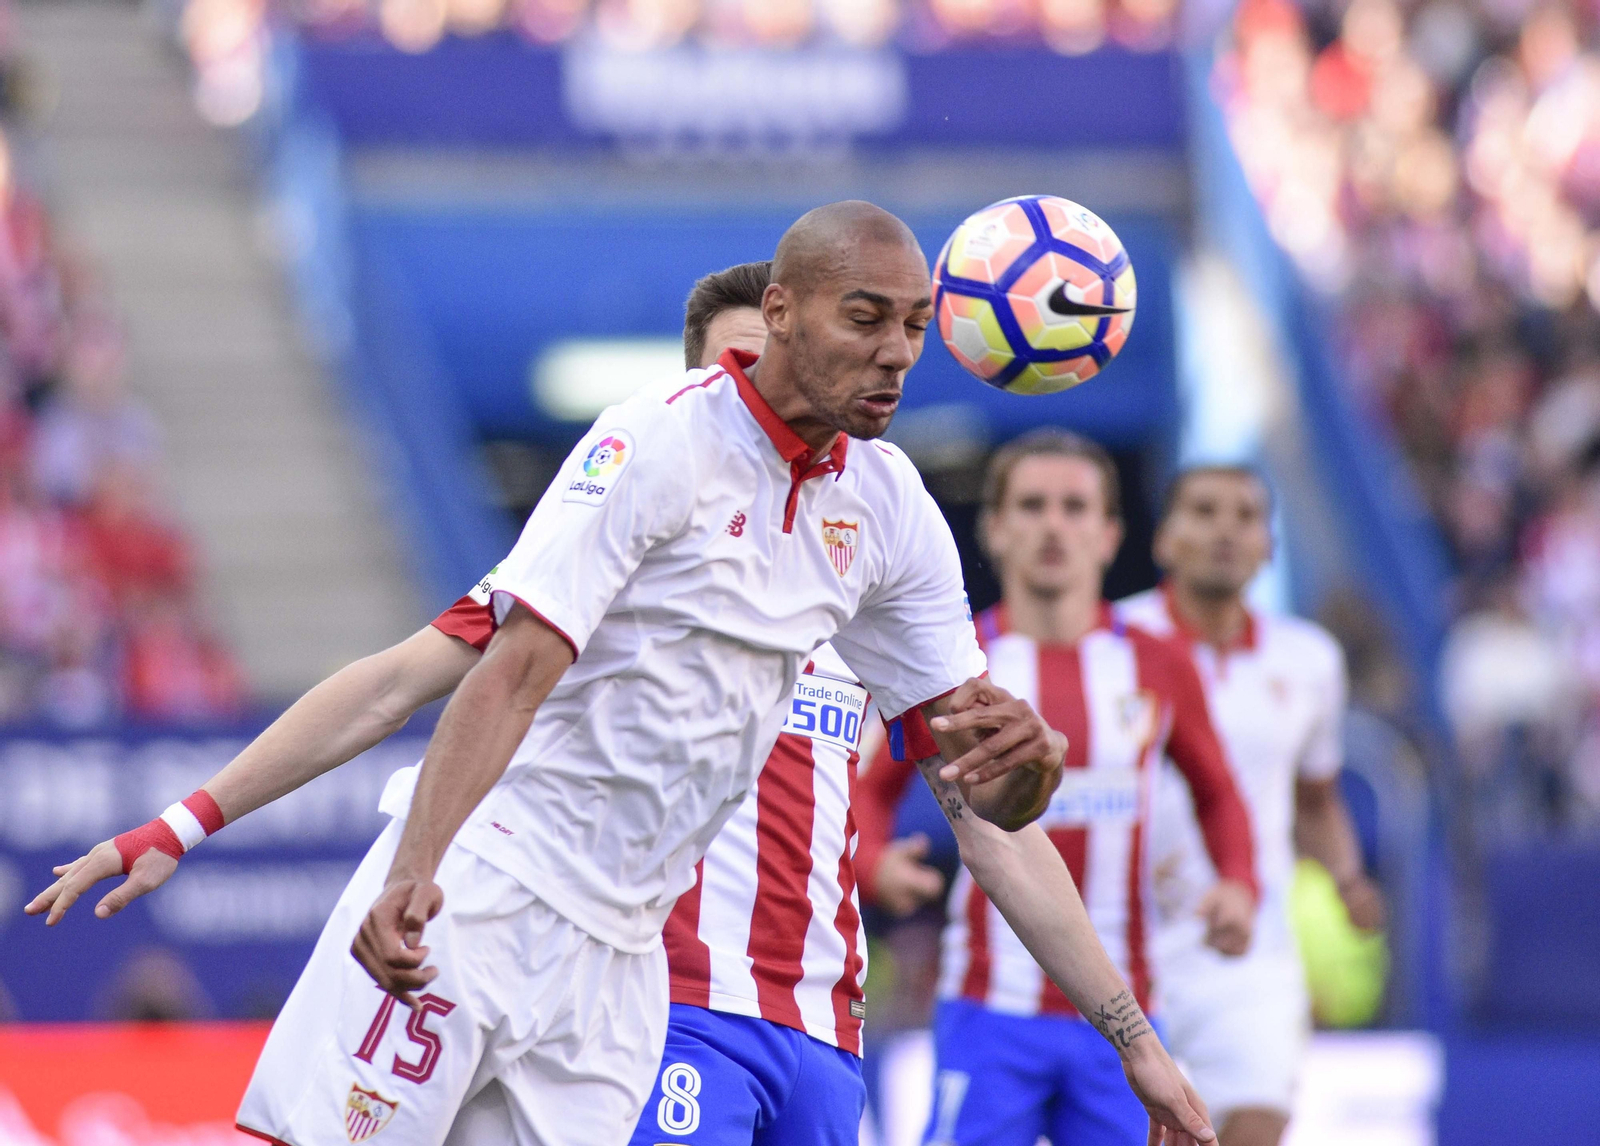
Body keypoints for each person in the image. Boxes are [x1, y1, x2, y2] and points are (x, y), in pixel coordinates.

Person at [28, 211, 1211, 1146]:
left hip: (632, 965)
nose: (898, 353)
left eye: (914, 326)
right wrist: (379, 865)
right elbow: (483, 675)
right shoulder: (654, 443)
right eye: (866, 319)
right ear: (779, 320)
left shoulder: (886, 509)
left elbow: (983, 799)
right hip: (485, 900)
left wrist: (1036, 794)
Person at [857, 429, 1259, 1146]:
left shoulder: (1158, 665)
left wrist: (1238, 881)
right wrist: (872, 862)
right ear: (995, 529)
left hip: (1125, 1009)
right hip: (987, 1008)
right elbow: (864, 788)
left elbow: (1220, 792)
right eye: (1032, 505)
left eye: (1074, 508)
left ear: (1109, 536)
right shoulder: (953, 666)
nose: (1052, 525)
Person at [1115, 465, 1384, 1146]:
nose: (1226, 530)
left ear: (1269, 545)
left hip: (1250, 950)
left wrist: (1349, 880)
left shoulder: (1310, 660)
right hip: (1116, 946)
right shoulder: (1112, 641)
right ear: (1165, 540)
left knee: (1256, 1125)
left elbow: (1316, 799)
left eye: (1246, 516)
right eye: (1204, 512)